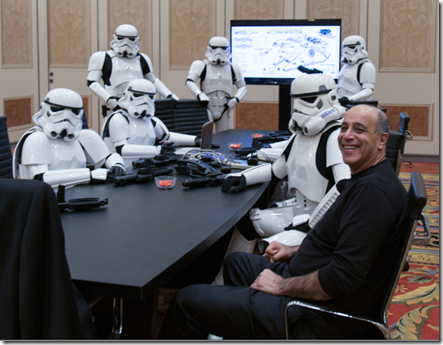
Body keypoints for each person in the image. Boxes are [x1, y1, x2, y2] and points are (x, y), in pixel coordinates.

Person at [157, 105, 409, 339]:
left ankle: (247, 315)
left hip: (315, 314)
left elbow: (341, 279)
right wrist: (294, 250)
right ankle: (239, 321)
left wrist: (281, 286)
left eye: (360, 129)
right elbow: (346, 244)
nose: (347, 135)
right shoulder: (367, 179)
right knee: (236, 262)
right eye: (344, 127)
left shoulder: (373, 195)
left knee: (187, 300)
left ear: (382, 141)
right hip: (307, 273)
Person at [218, 74, 351, 269]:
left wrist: (313, 223)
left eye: (307, 100)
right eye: (296, 102)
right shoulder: (299, 137)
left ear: (329, 99)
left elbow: (343, 187)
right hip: (297, 211)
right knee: (246, 222)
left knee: (271, 250)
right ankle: (225, 281)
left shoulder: (333, 137)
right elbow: (275, 171)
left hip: (321, 223)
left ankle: (260, 286)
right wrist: (244, 177)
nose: (299, 109)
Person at [13, 88, 125, 188]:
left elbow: (107, 159)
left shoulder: (83, 136)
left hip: (81, 196)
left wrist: (117, 165)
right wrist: (89, 176)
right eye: (57, 109)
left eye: (74, 112)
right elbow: (40, 179)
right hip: (47, 203)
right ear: (44, 109)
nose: (66, 117)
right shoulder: (37, 138)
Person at [101, 78, 200, 167]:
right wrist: (156, 150)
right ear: (127, 95)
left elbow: (167, 137)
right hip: (123, 169)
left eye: (150, 97)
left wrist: (195, 140)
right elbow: (121, 149)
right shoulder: (119, 119)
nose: (145, 101)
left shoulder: (151, 121)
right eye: (138, 95)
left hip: (147, 167)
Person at [87, 24, 178, 117]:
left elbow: (152, 80)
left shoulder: (143, 59)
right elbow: (92, 82)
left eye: (130, 39)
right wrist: (109, 100)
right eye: (121, 38)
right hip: (114, 106)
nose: (125, 42)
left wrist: (169, 95)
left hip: (139, 105)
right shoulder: (102, 57)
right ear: (115, 38)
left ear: (136, 40)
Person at [186, 36, 247, 133]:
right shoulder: (201, 65)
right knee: (206, 138)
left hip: (225, 108)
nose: (219, 52)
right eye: (215, 48)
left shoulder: (233, 68)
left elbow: (243, 87)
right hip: (207, 106)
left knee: (224, 137)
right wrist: (200, 95)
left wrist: (236, 99)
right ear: (209, 48)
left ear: (228, 50)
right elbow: (189, 81)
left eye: (223, 49)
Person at [337, 35, 376, 107]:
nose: (346, 50)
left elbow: (368, 90)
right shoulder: (346, 66)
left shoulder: (366, 66)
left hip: (357, 105)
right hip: (343, 104)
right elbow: (341, 86)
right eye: (345, 47)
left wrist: (351, 98)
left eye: (351, 47)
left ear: (361, 48)